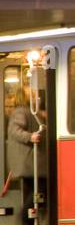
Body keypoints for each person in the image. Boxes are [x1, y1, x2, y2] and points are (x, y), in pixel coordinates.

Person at [5, 89, 46, 217]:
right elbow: (15, 131)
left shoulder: (29, 112)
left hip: (31, 161)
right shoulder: (20, 112)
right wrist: (30, 136)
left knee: (36, 189)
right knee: (42, 188)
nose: (36, 97)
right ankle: (24, 218)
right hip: (28, 161)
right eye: (32, 95)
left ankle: (29, 217)